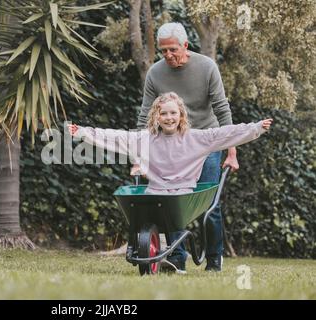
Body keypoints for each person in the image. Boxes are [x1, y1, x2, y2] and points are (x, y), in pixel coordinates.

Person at [68, 92, 272, 273]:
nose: (168, 118)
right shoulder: (146, 139)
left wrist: (255, 128)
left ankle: (176, 259)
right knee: (154, 209)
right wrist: (82, 132)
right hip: (155, 192)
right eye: (163, 113)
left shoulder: (195, 138)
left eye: (173, 113)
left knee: (172, 210)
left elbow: (226, 133)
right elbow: (115, 137)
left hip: (182, 193)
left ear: (181, 115)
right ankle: (162, 253)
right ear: (156, 116)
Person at [134, 22, 237, 272]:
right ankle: (177, 259)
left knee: (208, 204)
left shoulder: (206, 67)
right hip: (172, 144)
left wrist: (232, 151)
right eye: (163, 51)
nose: (168, 55)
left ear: (185, 46)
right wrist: (139, 156)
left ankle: (214, 258)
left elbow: (222, 110)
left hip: (205, 142)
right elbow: (144, 116)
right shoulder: (156, 74)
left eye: (173, 50)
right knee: (171, 201)